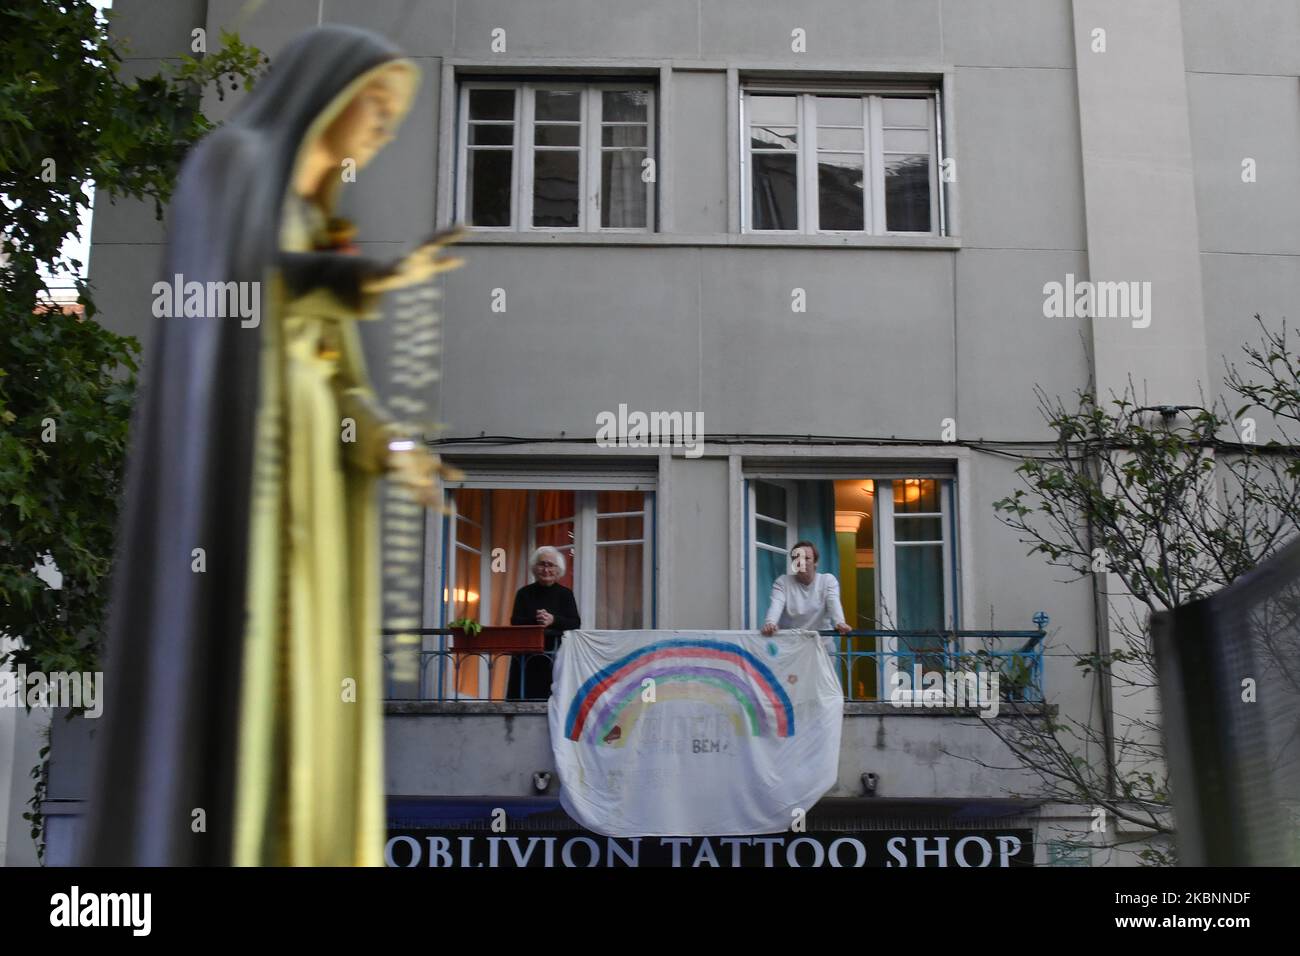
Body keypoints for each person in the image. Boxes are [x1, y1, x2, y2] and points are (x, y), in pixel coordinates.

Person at [83, 26, 461, 866]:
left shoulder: (317, 220)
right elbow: (242, 283)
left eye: (393, 117)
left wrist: (393, 447)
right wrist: (374, 279)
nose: (383, 128)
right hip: (243, 476)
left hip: (313, 501)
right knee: (242, 672)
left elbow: (339, 384)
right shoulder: (232, 165)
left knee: (308, 690)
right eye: (374, 107)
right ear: (321, 96)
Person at [508, 546, 581, 699]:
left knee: (554, 701)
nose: (545, 569)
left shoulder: (565, 594)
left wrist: (553, 620)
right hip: (526, 659)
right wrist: (537, 620)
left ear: (558, 569)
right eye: (542, 564)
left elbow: (575, 622)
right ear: (535, 568)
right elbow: (515, 621)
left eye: (550, 565)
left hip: (555, 657)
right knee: (523, 699)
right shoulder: (524, 593)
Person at [760, 540, 853, 640]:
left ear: (815, 563)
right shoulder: (782, 582)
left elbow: (833, 601)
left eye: (806, 558)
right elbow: (776, 604)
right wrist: (770, 623)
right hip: (792, 645)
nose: (801, 562)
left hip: (822, 644)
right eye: (796, 558)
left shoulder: (827, 581)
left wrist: (840, 622)